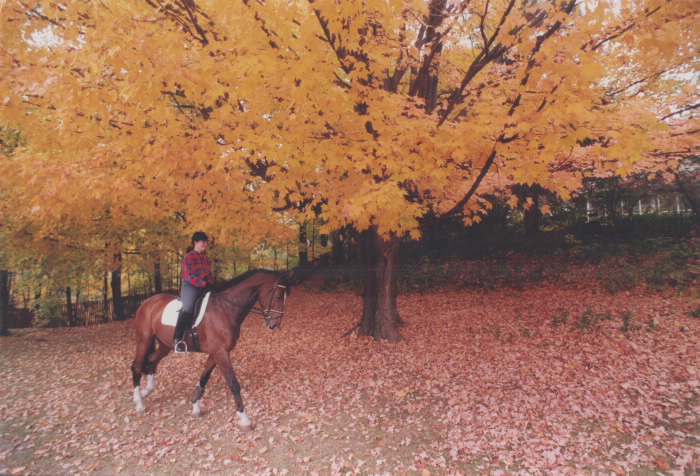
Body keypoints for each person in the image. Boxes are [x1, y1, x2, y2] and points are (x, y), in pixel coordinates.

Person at [174, 231, 214, 353]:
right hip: (191, 286)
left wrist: (212, 283)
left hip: (204, 285)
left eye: (206, 242)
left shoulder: (206, 258)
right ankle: (178, 338)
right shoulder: (188, 257)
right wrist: (203, 284)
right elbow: (189, 276)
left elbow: (209, 275)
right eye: (203, 242)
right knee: (188, 308)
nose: (205, 244)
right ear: (195, 242)